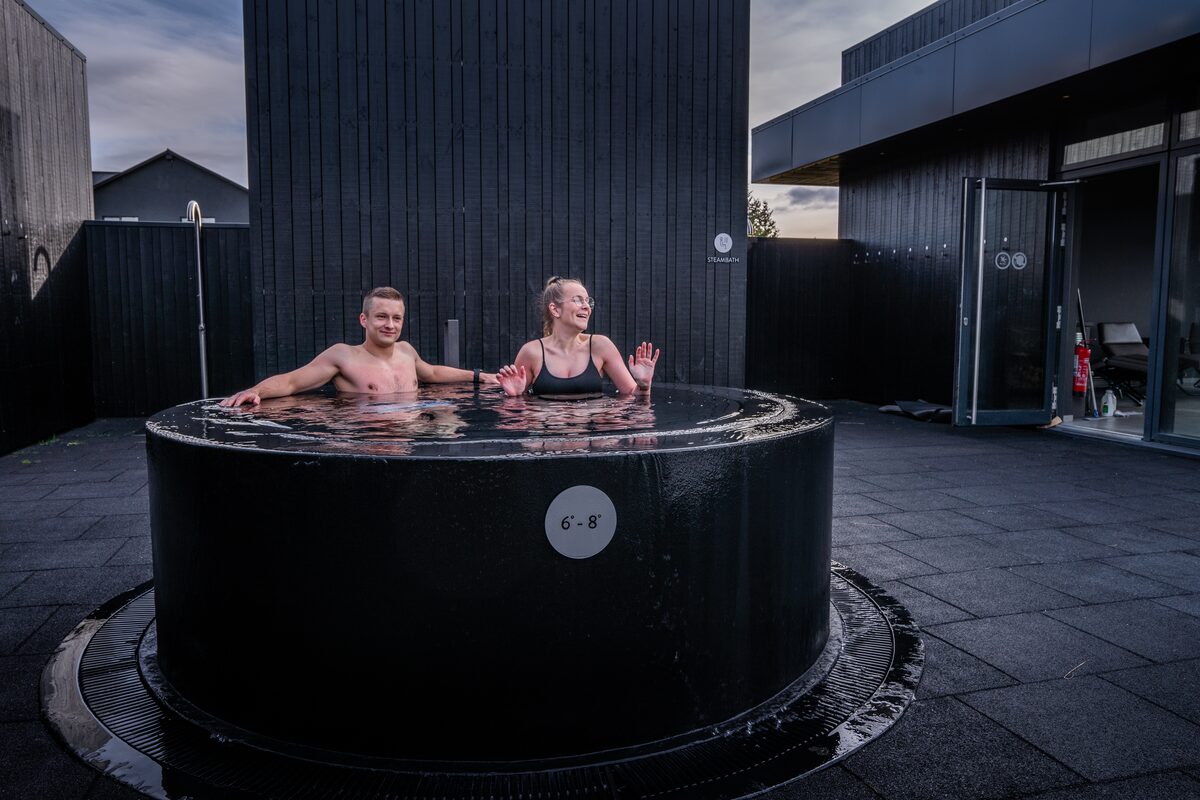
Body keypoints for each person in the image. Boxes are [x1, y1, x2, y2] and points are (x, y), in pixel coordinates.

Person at [221, 287, 497, 407]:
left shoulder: (406, 351)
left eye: (396, 318)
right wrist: (255, 391)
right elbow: (292, 382)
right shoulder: (345, 355)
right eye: (381, 316)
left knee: (450, 421)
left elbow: (433, 374)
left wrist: (479, 376)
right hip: (368, 438)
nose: (389, 324)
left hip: (413, 435)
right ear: (364, 319)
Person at [496, 276, 660, 398]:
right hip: (547, 438)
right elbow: (517, 420)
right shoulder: (531, 352)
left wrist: (644, 386)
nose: (587, 307)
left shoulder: (600, 346)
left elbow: (634, 397)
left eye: (588, 301)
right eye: (578, 300)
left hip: (590, 438)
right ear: (555, 310)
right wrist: (514, 398)